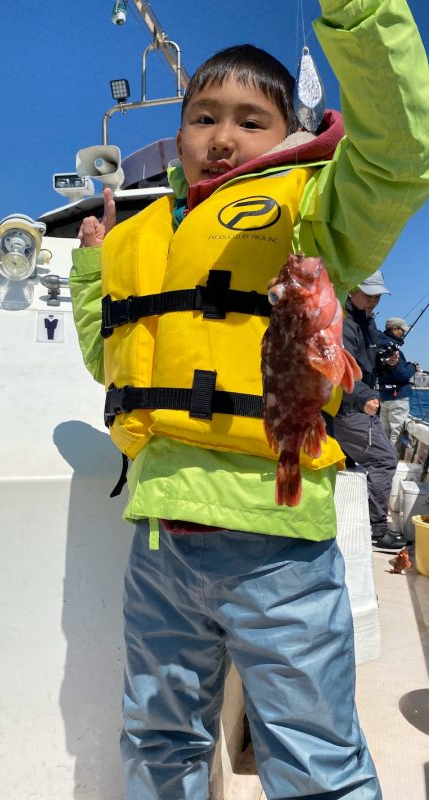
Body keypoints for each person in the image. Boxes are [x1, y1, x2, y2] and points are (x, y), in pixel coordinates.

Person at [69, 2, 429, 798]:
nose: (220, 136)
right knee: (158, 738)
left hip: (280, 546)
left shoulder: (311, 213)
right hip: (161, 540)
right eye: (203, 117)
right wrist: (94, 271)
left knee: (313, 756)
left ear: (290, 138)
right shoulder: (142, 233)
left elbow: (400, 157)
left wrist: (359, 14)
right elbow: (111, 361)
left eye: (250, 120)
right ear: (182, 131)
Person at [333, 272, 407, 551]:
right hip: (350, 407)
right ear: (351, 291)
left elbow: (365, 359)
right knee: (386, 459)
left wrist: (385, 362)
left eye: (378, 294)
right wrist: (364, 395)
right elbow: (340, 367)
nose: (375, 299)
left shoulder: (367, 321)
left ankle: (367, 519)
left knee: (369, 458)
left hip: (363, 405)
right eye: (369, 293)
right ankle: (377, 530)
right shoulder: (344, 323)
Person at [376, 317, 419, 449]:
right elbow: (402, 374)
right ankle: (390, 461)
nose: (404, 333)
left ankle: (383, 458)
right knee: (396, 431)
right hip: (397, 397)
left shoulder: (380, 344)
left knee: (384, 431)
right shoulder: (392, 348)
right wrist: (412, 367)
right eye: (402, 330)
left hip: (384, 396)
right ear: (394, 329)